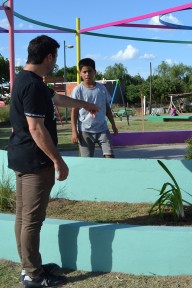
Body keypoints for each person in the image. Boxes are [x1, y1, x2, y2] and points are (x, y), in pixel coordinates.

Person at [8, 35, 100, 287]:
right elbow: (37, 129)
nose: (55, 62)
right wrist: (59, 161)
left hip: (21, 156)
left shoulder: (24, 79)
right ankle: (32, 274)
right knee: (32, 220)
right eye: (55, 57)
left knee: (23, 216)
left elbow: (57, 98)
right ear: (48, 57)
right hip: (35, 162)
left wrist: (84, 104)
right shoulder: (33, 86)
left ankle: (30, 265)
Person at [71, 58, 118, 158]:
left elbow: (107, 108)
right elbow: (74, 112)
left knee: (110, 157)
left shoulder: (102, 88)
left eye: (90, 71)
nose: (87, 74)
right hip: (85, 131)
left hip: (102, 130)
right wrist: (74, 131)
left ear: (95, 72)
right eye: (84, 72)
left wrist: (113, 125)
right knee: (87, 161)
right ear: (80, 73)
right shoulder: (78, 90)